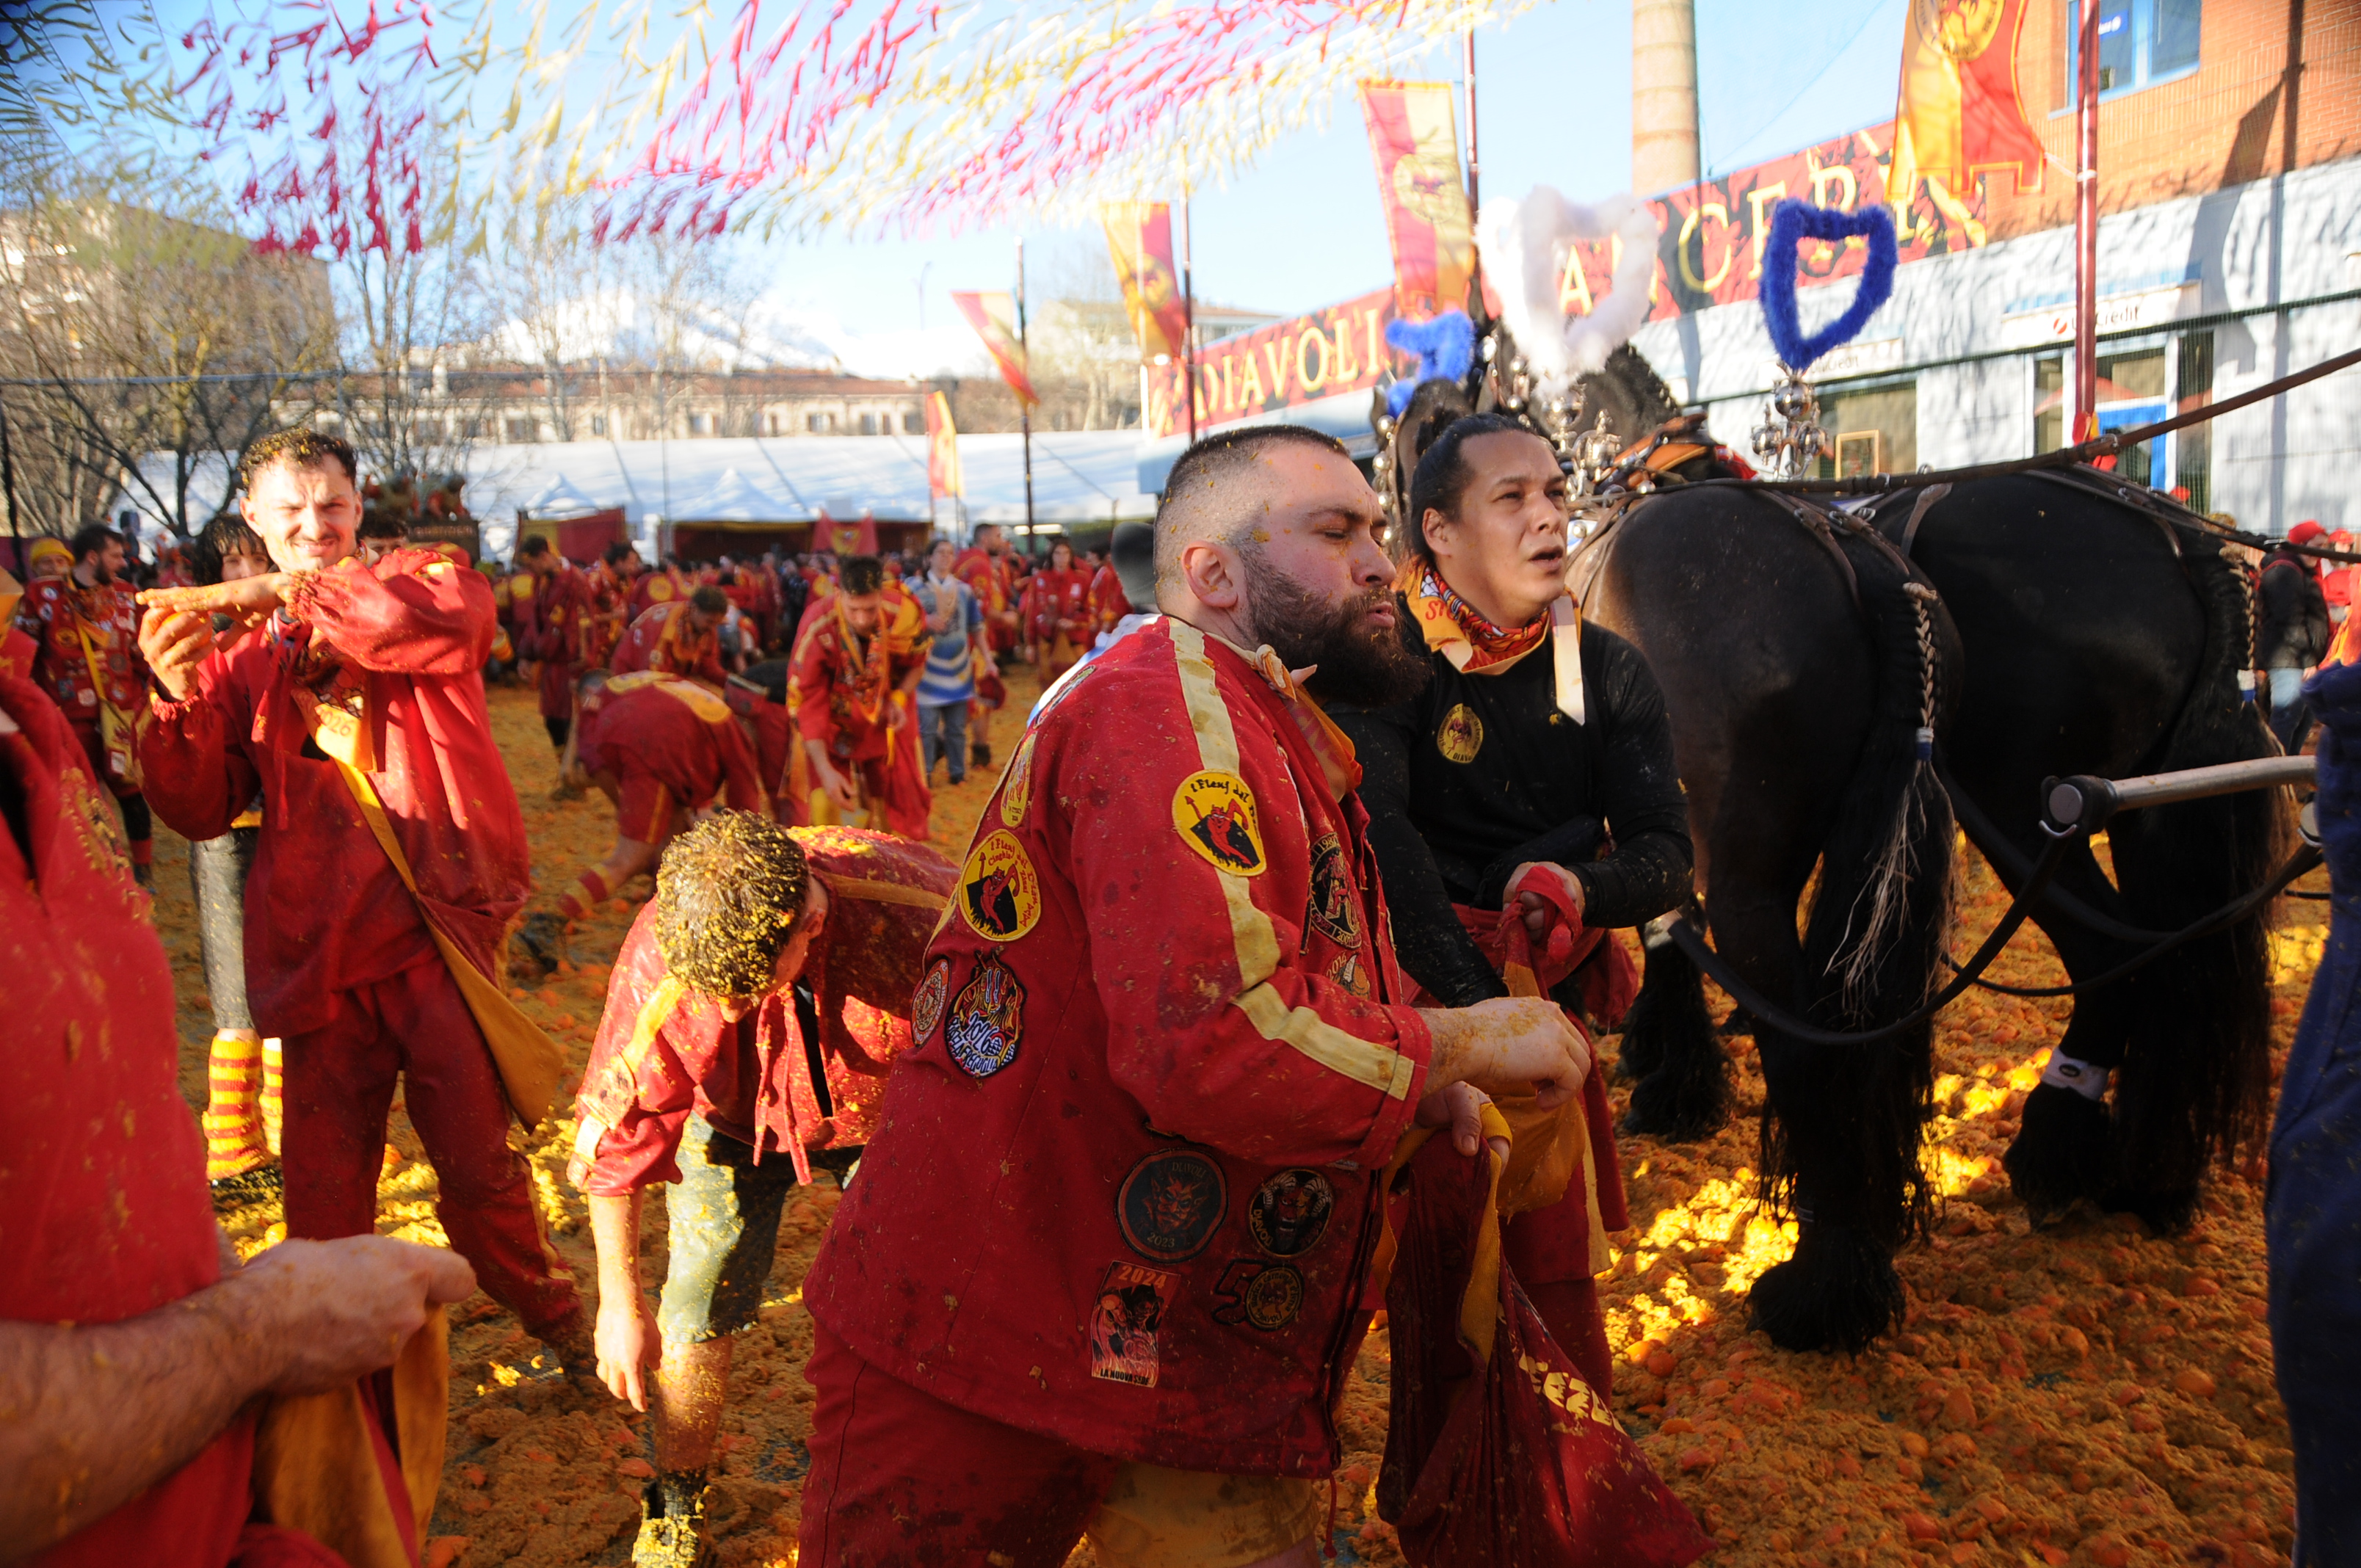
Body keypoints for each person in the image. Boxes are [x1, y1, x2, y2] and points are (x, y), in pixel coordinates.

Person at [797, 424, 1590, 1567]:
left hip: (1182, 1335)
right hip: (992, 1330)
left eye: (1377, 530)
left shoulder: (1262, 717)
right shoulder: (1164, 712)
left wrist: (1412, 1084)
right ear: (1215, 574)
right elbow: (1212, 1043)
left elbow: (1298, 972)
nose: (1383, 563)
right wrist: (1460, 1042)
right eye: (1337, 532)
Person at [0, 656, 479, 1566]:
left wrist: (236, 1299)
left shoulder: (31, 723)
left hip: (212, 1494)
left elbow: (117, 1117)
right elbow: (197, 801)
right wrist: (258, 1335)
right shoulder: (227, 662)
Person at [135, 426, 591, 1372]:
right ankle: (341, 1389)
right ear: (253, 519)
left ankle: (561, 1324)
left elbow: (452, 629)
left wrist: (286, 594)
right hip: (320, 955)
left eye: (333, 505)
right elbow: (201, 807)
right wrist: (176, 695)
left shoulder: (425, 577)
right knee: (323, 1192)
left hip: (436, 935)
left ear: (359, 504)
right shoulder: (240, 657)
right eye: (291, 511)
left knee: (478, 1174)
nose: (315, 526)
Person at [1327, 411, 1694, 1388]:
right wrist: (1485, 1016)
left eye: (1557, 494)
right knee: (1375, 1265)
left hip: (1537, 1007)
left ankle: (1544, 1441)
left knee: (1543, 1264)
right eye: (1513, 498)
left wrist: (1582, 886)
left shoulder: (1606, 666)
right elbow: (1380, 839)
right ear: (1439, 532)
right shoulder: (1384, 658)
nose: (1549, 518)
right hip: (1404, 1007)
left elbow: (1667, 855)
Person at [573, 813, 953, 1566]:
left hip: (890, 1115)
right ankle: (676, 1503)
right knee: (696, 1304)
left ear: (811, 926)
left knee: (916, 1299)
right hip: (731, 1119)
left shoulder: (921, 914)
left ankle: (911, 1486)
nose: (729, 1013)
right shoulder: (670, 948)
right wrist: (618, 1302)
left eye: (748, 990)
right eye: (715, 995)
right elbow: (616, 1137)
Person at [183, 511, 288, 1201]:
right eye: (233, 564)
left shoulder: (290, 632)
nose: (248, 576)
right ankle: (232, 1144)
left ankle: (287, 1131)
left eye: (258, 561)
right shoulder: (200, 643)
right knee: (236, 992)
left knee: (284, 986)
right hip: (227, 834)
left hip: (287, 828)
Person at [554, 668, 769, 924]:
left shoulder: (682, 691)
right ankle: (552, 919)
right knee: (630, 859)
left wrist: (616, 799)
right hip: (651, 751)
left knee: (672, 839)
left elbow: (592, 716)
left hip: (612, 727)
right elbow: (746, 821)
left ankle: (658, 905)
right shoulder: (735, 739)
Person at [14, 522, 155, 884]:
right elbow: (23, 654)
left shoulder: (127, 595)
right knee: (84, 800)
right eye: (115, 556)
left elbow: (144, 654)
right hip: (68, 719)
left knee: (132, 793)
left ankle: (143, 871)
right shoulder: (43, 597)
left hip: (121, 715)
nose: (123, 562)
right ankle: (105, 876)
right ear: (92, 557)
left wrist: (160, 694)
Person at [788, 554, 931, 838]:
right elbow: (807, 702)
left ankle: (895, 848)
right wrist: (825, 770)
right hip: (835, 722)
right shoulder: (818, 624)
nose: (862, 619)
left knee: (899, 798)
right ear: (839, 594)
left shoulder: (901, 612)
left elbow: (916, 664)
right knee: (827, 805)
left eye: (870, 609)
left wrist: (899, 698)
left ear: (881, 595)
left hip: (887, 716)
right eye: (853, 610)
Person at [908, 536, 981, 787]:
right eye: (940, 553)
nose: (946, 558)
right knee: (926, 728)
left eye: (950, 553)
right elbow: (900, 622)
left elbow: (976, 626)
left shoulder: (963, 590)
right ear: (929, 557)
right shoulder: (913, 589)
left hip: (959, 668)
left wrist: (988, 658)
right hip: (925, 670)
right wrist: (924, 621)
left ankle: (957, 772)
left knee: (957, 728)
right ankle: (925, 774)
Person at [515, 534, 594, 754]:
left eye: (531, 565)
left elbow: (583, 627)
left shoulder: (575, 581)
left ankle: (571, 772)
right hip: (551, 666)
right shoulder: (542, 580)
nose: (530, 571)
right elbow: (535, 618)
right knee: (552, 722)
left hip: (570, 665)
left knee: (571, 724)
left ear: (543, 557)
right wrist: (526, 655)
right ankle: (563, 768)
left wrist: (581, 667)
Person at [2260, 520, 2332, 752]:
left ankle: (2289, 765)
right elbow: (2290, 620)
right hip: (2289, 657)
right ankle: (2274, 767)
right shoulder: (2285, 571)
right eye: (2317, 546)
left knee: (2304, 718)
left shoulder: (2302, 571)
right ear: (2301, 544)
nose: (2321, 552)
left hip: (2300, 658)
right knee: (2287, 715)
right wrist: (2307, 659)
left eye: (2324, 547)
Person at [954, 522, 1020, 766]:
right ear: (984, 539)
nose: (1001, 541)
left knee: (980, 695)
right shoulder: (980, 564)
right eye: (998, 536)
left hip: (964, 640)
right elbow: (979, 608)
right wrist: (1004, 617)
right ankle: (948, 744)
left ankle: (980, 751)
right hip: (975, 641)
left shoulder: (964, 559)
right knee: (980, 695)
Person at [614, 585, 732, 686]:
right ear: (694, 609)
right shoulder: (664, 628)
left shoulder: (707, 629)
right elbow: (654, 677)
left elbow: (708, 666)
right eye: (710, 622)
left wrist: (732, 682)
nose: (713, 628)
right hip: (631, 677)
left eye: (717, 623)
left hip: (669, 680)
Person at [1026, 536, 1094, 684]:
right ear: (1051, 556)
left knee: (1077, 683)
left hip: (1074, 640)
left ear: (1071, 556)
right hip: (1047, 639)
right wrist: (1030, 644)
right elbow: (1033, 612)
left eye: (1065, 553)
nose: (1062, 558)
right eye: (1057, 553)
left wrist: (1074, 623)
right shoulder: (1041, 579)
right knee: (1048, 684)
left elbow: (1090, 610)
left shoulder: (1082, 579)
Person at [586, 541, 642, 672]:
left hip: (612, 646)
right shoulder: (595, 579)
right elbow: (580, 616)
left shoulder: (625, 582)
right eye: (631, 563)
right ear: (619, 562)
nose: (634, 569)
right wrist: (611, 616)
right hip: (593, 646)